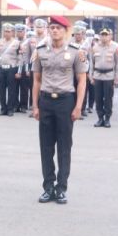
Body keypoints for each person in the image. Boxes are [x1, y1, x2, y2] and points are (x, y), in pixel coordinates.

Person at [31, 15, 87, 205]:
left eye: (58, 28)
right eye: (52, 27)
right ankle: (48, 187)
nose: (54, 30)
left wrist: (78, 106)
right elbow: (37, 80)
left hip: (65, 102)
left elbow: (82, 81)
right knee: (46, 147)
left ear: (66, 31)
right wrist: (35, 105)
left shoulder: (75, 52)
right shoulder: (39, 51)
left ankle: (61, 188)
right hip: (46, 101)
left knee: (64, 147)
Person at [88, 28, 118, 127]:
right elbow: (91, 63)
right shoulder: (94, 48)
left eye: (106, 35)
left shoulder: (115, 47)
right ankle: (100, 118)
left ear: (110, 36)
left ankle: (107, 119)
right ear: (100, 36)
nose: (104, 37)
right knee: (98, 98)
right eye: (102, 35)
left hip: (109, 76)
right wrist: (91, 76)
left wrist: (116, 77)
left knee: (108, 99)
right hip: (97, 76)